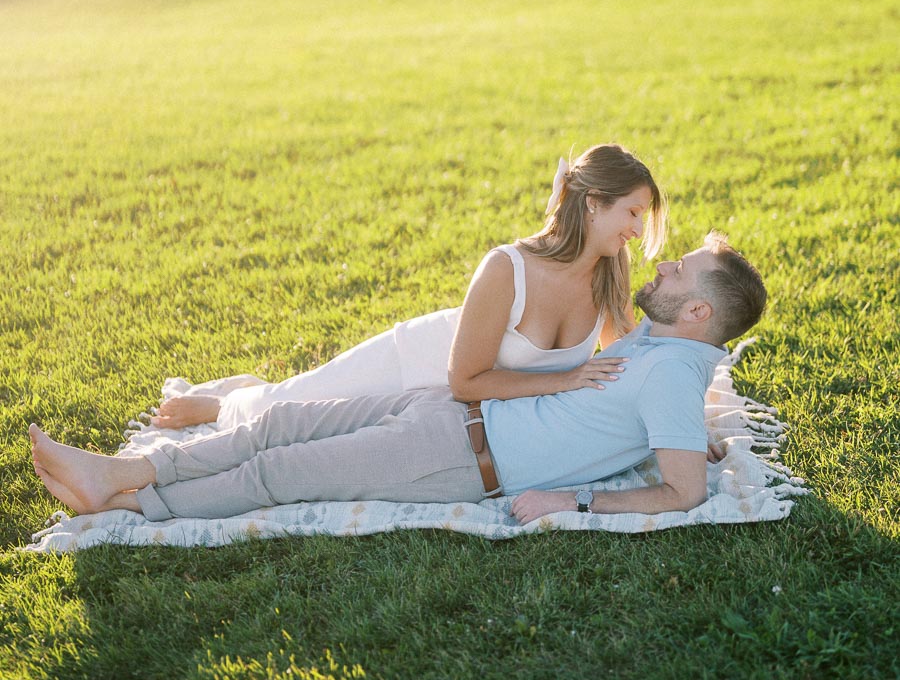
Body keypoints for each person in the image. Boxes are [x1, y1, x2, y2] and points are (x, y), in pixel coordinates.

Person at [29, 232, 767, 525]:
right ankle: (125, 469)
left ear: (697, 311)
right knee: (278, 425)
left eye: (681, 271)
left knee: (280, 472)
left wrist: (569, 499)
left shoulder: (672, 367)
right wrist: (695, 430)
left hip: (459, 459)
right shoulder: (665, 344)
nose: (663, 264)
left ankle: (136, 504)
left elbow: (685, 491)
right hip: (449, 411)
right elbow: (669, 423)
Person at [149, 144, 667, 431]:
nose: (638, 231)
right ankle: (228, 402)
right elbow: (466, 381)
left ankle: (247, 395)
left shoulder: (608, 275)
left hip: (452, 411)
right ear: (594, 202)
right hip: (420, 361)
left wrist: (680, 428)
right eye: (634, 213)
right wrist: (567, 378)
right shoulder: (507, 267)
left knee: (329, 430)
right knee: (289, 410)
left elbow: (619, 366)